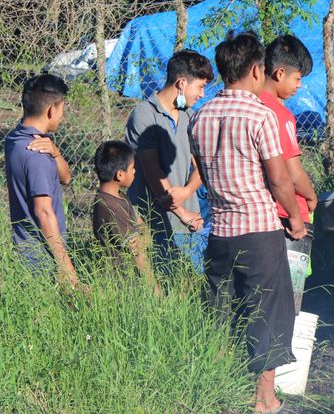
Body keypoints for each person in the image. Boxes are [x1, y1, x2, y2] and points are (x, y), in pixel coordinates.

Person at [189, 32, 307, 414]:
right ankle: (263, 399)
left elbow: (205, 174)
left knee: (223, 309)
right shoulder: (260, 114)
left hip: (218, 232)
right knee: (268, 311)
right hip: (258, 230)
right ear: (257, 70)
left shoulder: (200, 115)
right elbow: (279, 180)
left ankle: (220, 388)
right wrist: (295, 217)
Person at [125, 49, 213, 270]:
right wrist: (181, 211)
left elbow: (201, 165)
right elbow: (153, 171)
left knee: (187, 286)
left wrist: (186, 192)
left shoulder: (189, 116)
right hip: (152, 220)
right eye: (200, 87)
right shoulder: (145, 114)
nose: (203, 94)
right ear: (182, 83)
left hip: (188, 223)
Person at [259, 35, 319, 313]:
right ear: (279, 72)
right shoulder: (280, 115)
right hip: (284, 215)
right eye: (297, 79)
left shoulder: (248, 104)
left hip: (253, 216)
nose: (299, 86)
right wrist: (310, 196)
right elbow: (292, 173)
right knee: (286, 295)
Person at [4, 73, 80, 289]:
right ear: (51, 110)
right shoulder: (37, 155)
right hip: (43, 258)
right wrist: (66, 267)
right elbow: (43, 212)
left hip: (24, 252)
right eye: (62, 109)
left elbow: (66, 177)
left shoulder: (15, 139)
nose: (62, 116)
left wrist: (55, 152)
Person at [91, 140, 160, 296]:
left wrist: (145, 237)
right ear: (120, 175)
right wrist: (155, 290)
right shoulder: (114, 208)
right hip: (125, 287)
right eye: (132, 168)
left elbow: (141, 225)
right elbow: (138, 253)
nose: (135, 171)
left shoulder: (116, 196)